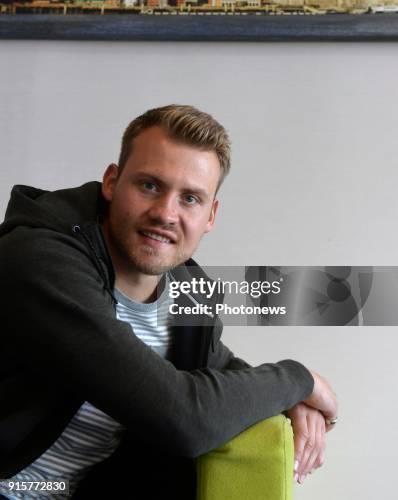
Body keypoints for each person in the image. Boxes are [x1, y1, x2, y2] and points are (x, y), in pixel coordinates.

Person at [0, 105, 337, 499]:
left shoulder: (187, 292)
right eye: (149, 186)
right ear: (112, 182)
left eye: (190, 198)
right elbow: (184, 418)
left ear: (210, 215)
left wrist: (290, 399)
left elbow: (222, 372)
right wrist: (300, 379)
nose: (165, 213)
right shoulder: (39, 259)